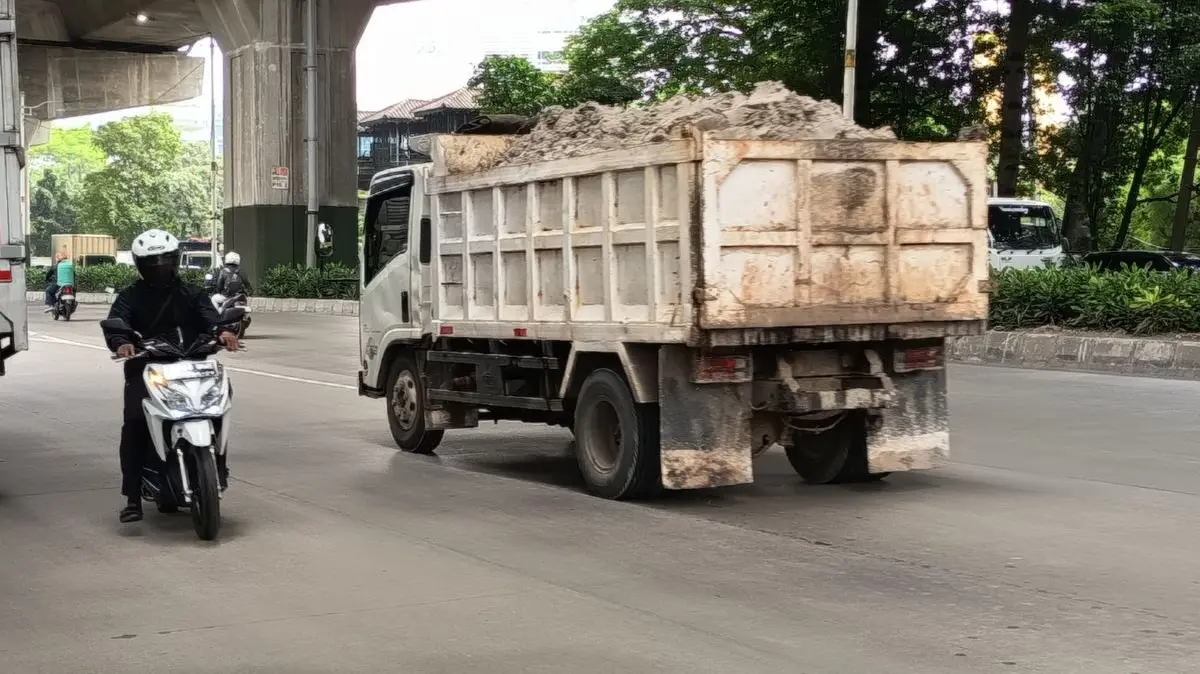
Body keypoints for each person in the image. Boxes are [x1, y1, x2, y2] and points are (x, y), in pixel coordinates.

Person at [101, 229, 239, 524]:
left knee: (219, 406)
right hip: (148, 367)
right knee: (136, 423)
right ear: (141, 265)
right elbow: (117, 325)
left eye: (165, 261)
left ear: (175, 261)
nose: (160, 267)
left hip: (194, 364)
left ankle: (218, 469)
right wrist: (122, 343)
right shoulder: (131, 297)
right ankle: (133, 497)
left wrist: (224, 332)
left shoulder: (192, 293)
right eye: (152, 262)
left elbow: (212, 319)